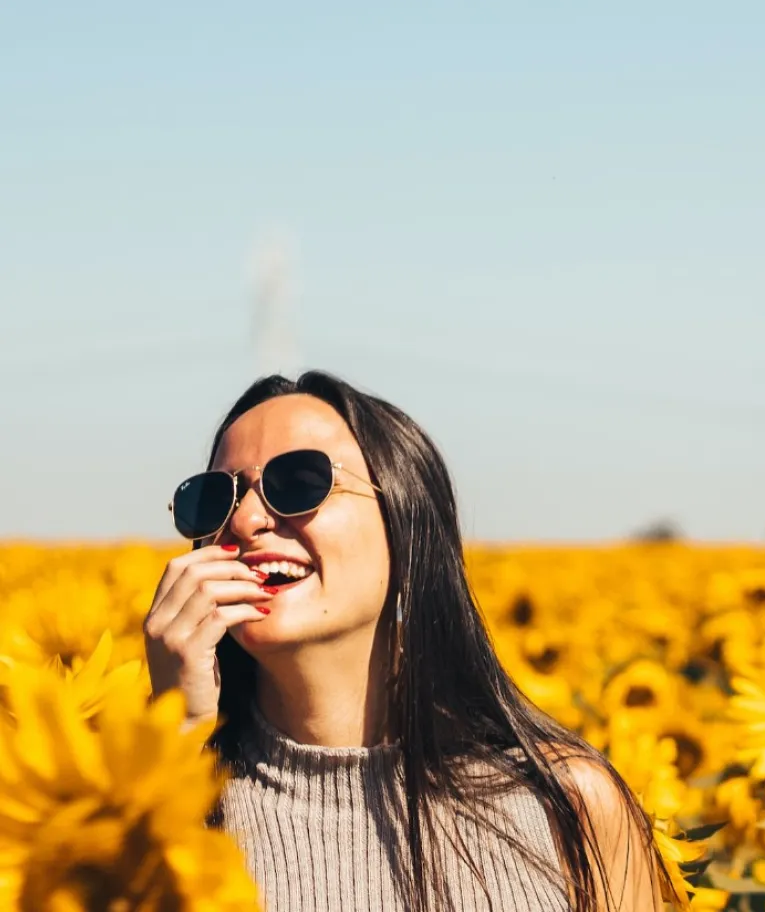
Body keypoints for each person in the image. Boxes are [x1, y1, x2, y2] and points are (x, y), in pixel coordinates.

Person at [144, 371, 664, 911]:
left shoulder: (569, 808)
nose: (246, 519)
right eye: (214, 498)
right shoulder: (137, 814)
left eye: (298, 481)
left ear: (407, 524)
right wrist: (171, 745)